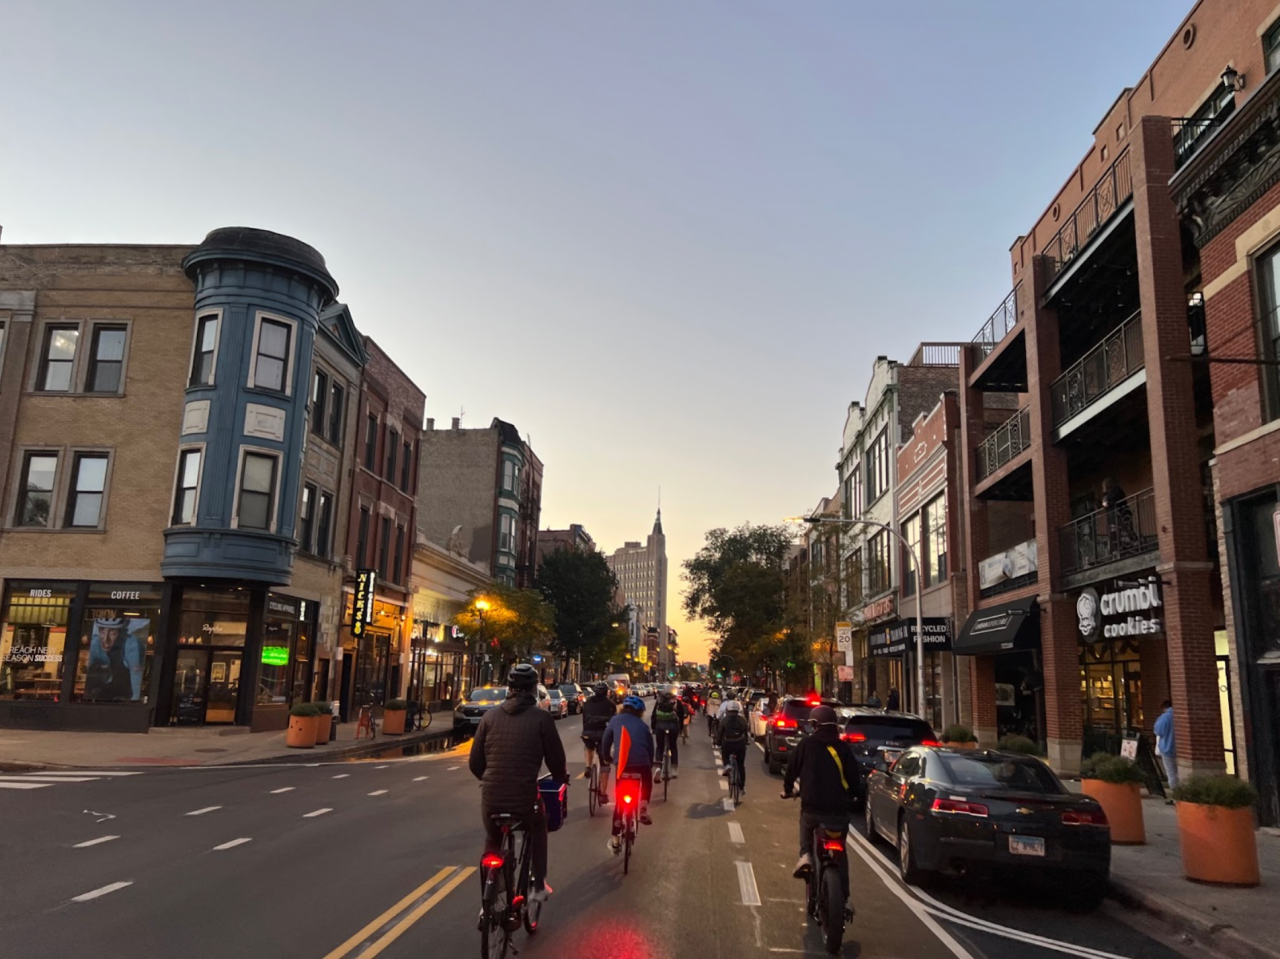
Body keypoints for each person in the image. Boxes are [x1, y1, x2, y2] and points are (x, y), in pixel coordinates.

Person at [469, 663, 568, 903]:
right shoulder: (542, 718)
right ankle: (538, 885)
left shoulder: (490, 716)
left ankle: (489, 896)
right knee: (538, 827)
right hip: (525, 797)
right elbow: (556, 758)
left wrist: (490, 779)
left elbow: (475, 763)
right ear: (534, 689)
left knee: (492, 839)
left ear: (509, 688)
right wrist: (559, 776)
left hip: (491, 796)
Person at [783, 704, 858, 916]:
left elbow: (791, 768)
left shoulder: (807, 744)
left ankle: (805, 855)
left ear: (815, 725)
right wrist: (853, 795)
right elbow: (854, 778)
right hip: (838, 813)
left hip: (812, 808)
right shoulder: (843, 748)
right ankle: (843, 898)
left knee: (806, 825)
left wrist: (788, 789)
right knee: (841, 853)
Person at [601, 693, 656, 855]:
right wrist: (650, 764)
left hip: (623, 766)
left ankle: (616, 841)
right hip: (641, 766)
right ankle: (643, 807)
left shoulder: (615, 721)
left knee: (619, 803)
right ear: (640, 712)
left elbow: (606, 740)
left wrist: (606, 756)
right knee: (646, 779)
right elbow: (650, 749)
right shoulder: (643, 725)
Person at [580, 682, 615, 802]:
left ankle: (588, 766)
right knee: (605, 764)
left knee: (588, 746)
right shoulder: (610, 704)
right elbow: (613, 722)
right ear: (607, 692)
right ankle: (603, 794)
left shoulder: (588, 703)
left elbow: (584, 719)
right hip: (603, 735)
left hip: (588, 733)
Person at [717, 697, 750, 796]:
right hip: (740, 744)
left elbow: (720, 733)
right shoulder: (743, 720)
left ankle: (727, 765)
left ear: (727, 710)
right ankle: (741, 787)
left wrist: (719, 742)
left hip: (728, 743)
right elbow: (746, 733)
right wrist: (746, 743)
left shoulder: (724, 720)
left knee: (725, 753)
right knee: (741, 765)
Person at [651, 685, 685, 780]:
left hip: (660, 726)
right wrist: (680, 728)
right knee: (673, 746)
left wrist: (653, 727)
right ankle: (674, 769)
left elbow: (653, 715)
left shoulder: (659, 701)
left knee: (660, 747)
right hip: (673, 726)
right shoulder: (676, 701)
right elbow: (681, 715)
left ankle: (658, 767)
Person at [1154, 699, 1178, 797]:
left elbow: (1158, 731)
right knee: (1179, 773)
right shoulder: (1179, 715)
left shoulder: (1164, 718)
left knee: (1171, 773)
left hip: (1167, 748)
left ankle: (1175, 795)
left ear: (1164, 708)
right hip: (1180, 750)